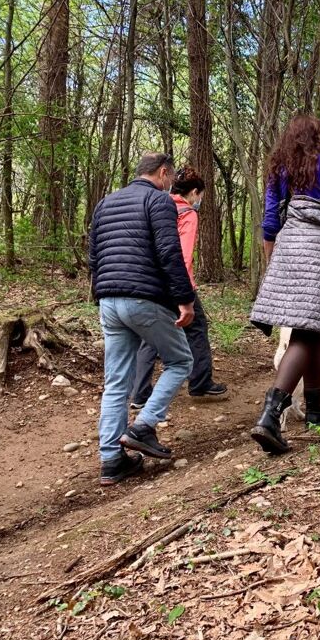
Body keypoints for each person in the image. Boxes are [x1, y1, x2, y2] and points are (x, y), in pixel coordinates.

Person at [250, 115, 320, 455]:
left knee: (312, 329)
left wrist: (272, 259)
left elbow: (270, 220)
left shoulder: (282, 169)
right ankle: (270, 414)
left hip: (290, 246)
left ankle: (314, 407)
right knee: (308, 332)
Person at [88, 152, 195, 486]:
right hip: (143, 299)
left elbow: (94, 254)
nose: (170, 184)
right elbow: (169, 253)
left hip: (108, 300)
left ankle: (111, 460)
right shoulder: (158, 202)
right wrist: (185, 299)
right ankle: (144, 426)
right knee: (181, 361)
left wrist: (100, 294)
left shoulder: (105, 203)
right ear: (163, 173)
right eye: (171, 178)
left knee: (116, 382)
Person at [130, 167, 226, 409]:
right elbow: (182, 256)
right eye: (200, 195)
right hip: (177, 282)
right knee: (197, 327)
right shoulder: (187, 213)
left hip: (150, 280)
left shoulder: (157, 204)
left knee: (150, 335)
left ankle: (139, 393)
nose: (200, 200)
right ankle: (200, 382)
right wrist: (185, 289)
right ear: (194, 192)